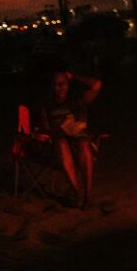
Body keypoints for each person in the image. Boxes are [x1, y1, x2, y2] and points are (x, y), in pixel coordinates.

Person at [29, 62, 102, 208]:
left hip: (79, 142)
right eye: (57, 84)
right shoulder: (46, 104)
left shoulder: (77, 100)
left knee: (83, 143)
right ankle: (77, 193)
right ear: (51, 86)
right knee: (62, 144)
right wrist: (60, 127)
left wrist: (73, 76)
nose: (61, 88)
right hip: (58, 144)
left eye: (64, 84)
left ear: (68, 84)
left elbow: (97, 84)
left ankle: (87, 195)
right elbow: (45, 128)